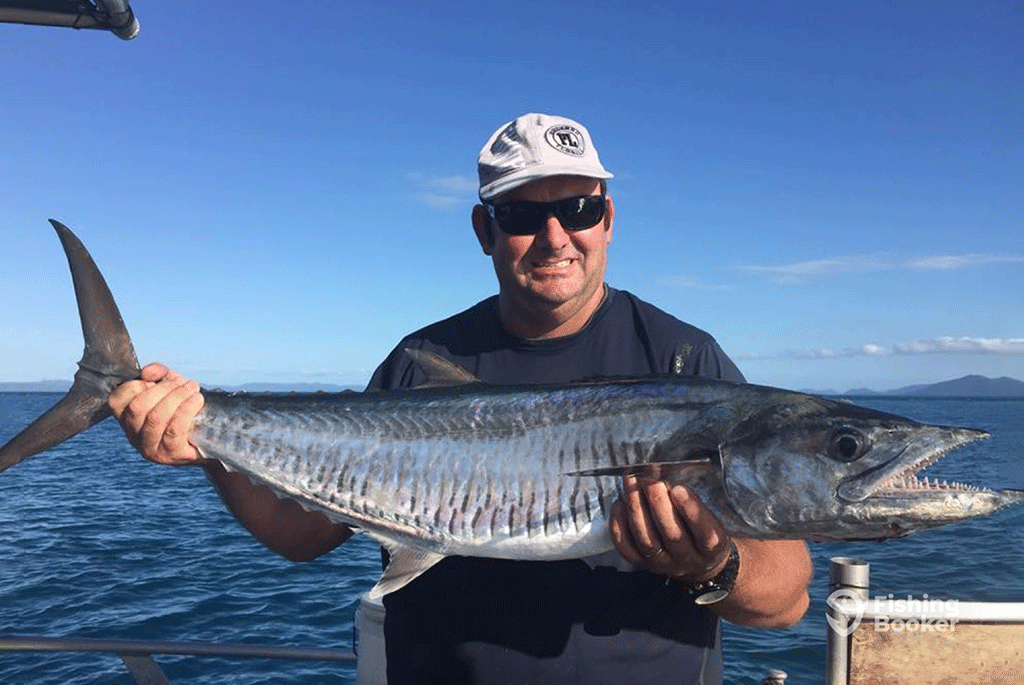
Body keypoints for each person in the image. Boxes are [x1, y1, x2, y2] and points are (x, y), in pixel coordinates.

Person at [109, 112, 812, 685]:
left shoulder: (685, 362)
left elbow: (786, 601)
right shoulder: (422, 363)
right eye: (520, 215)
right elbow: (304, 536)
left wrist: (715, 565)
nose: (556, 236)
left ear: (608, 218)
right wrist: (210, 445)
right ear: (485, 231)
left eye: (578, 207)